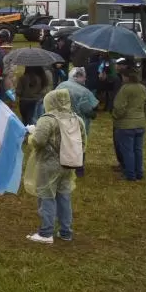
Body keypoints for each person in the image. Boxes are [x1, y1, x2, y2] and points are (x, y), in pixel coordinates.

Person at [24, 89, 86, 243]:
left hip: (49, 164)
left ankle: (46, 233)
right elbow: (83, 143)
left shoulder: (47, 119)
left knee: (47, 196)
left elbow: (38, 142)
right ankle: (66, 232)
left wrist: (31, 134)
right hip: (69, 164)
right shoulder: (77, 119)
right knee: (64, 196)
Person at [112, 68, 146, 182]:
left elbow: (119, 107)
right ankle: (139, 173)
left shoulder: (125, 89)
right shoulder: (143, 88)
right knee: (138, 150)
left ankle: (130, 175)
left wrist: (116, 116)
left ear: (126, 77)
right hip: (140, 123)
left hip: (126, 125)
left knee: (128, 151)